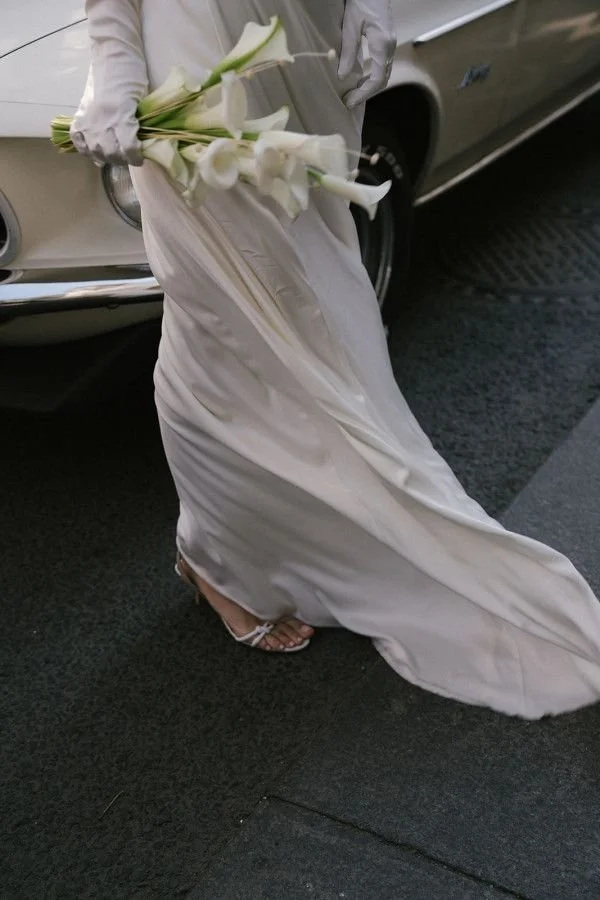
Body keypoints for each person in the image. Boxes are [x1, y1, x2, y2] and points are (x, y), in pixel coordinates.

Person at [71, 0, 600, 718]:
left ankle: (304, 524)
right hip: (196, 39)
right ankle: (215, 556)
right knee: (218, 315)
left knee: (326, 308)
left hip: (308, 39)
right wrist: (113, 59)